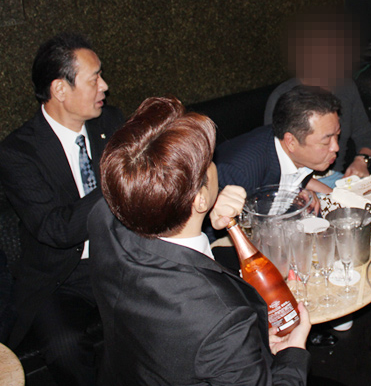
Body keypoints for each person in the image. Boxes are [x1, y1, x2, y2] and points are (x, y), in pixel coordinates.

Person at [89, 96, 311, 385]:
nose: (215, 163)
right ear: (199, 199)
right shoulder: (221, 318)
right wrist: (293, 354)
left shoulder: (101, 219)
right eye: (209, 162)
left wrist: (206, 209)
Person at [0, 33, 123, 385]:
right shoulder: (18, 152)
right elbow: (56, 229)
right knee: (64, 346)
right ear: (59, 90)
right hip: (61, 278)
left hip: (118, 259)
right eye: (94, 78)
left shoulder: (111, 122)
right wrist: (117, 180)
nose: (105, 85)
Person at [264, 9, 371, 187]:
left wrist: (361, 160)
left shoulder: (346, 87)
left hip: (336, 178)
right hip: (293, 182)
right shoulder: (282, 97)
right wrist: (316, 188)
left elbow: (365, 134)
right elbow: (271, 157)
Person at [216, 85, 341, 196]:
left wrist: (334, 198)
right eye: (326, 142)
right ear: (291, 142)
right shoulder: (240, 173)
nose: (336, 147)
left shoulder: (294, 146)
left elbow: (299, 175)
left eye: (337, 135)